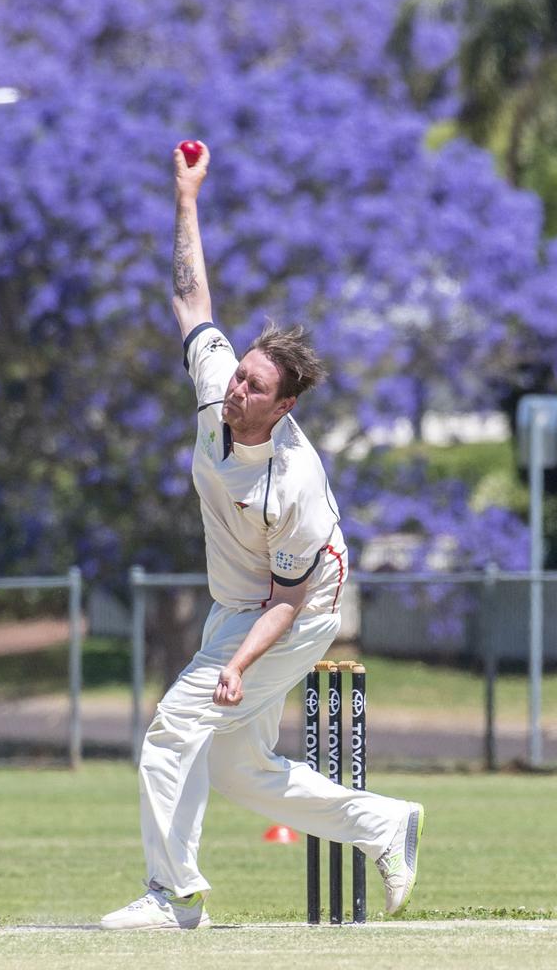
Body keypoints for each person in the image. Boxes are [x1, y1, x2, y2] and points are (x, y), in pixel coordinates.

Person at [100, 142, 424, 931]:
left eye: (254, 386)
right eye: (239, 374)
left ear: (282, 408)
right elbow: (190, 299)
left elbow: (290, 596)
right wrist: (186, 196)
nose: (235, 387)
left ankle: (174, 895)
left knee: (175, 726)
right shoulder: (218, 388)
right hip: (238, 600)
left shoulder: (294, 482)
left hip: (298, 607)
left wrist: (238, 665)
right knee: (238, 769)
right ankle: (385, 825)